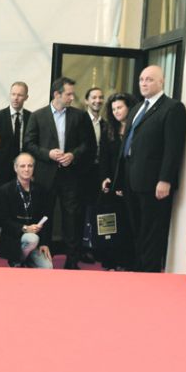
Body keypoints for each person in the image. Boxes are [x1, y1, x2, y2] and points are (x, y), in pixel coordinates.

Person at [112, 65, 186, 273]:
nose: (144, 83)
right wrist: (120, 179)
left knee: (152, 231)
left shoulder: (172, 108)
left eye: (149, 79)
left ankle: (149, 273)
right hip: (131, 178)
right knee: (136, 228)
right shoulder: (137, 108)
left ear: (161, 81)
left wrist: (165, 179)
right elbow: (127, 143)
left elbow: (173, 149)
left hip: (153, 183)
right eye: (141, 79)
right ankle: (139, 270)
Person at [24, 76, 96, 269]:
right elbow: (28, 144)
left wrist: (73, 155)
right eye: (69, 94)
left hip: (71, 175)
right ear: (57, 94)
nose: (72, 98)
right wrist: (48, 154)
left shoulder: (80, 116)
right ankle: (43, 259)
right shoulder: (37, 116)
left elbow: (88, 144)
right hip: (45, 175)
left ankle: (72, 261)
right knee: (44, 216)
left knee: (72, 218)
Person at [0, 152, 53, 268]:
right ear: (15, 168)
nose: (26, 169)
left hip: (36, 242)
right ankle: (17, 261)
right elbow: (1, 220)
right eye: (22, 166)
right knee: (32, 238)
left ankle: (24, 259)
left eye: (30, 166)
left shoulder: (41, 190)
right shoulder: (4, 191)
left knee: (47, 267)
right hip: (14, 240)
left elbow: (47, 218)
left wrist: (45, 243)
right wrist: (24, 228)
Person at [98, 92, 136, 271]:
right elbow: (104, 157)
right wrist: (105, 178)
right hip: (112, 183)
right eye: (113, 109)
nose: (116, 112)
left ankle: (127, 261)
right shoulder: (109, 129)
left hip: (131, 182)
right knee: (112, 224)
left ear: (129, 107)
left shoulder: (137, 127)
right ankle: (111, 261)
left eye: (120, 107)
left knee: (129, 223)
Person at [78, 87, 105, 264]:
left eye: (100, 97)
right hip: (81, 174)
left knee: (96, 211)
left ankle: (95, 247)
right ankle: (81, 249)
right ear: (86, 101)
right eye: (93, 97)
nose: (97, 100)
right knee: (80, 212)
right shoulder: (80, 120)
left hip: (99, 174)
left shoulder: (106, 123)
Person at [0, 81, 32, 186]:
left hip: (24, 167)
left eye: (20, 95)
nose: (16, 98)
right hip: (2, 168)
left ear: (26, 97)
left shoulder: (31, 117)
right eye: (13, 94)